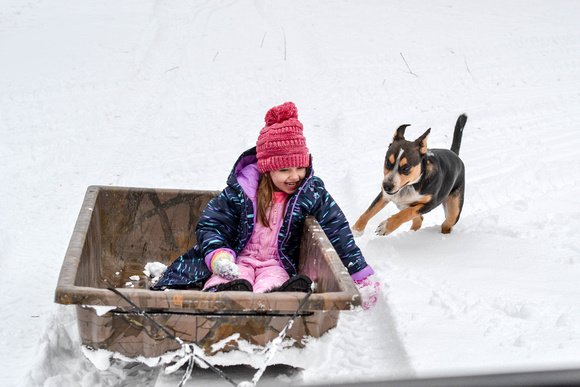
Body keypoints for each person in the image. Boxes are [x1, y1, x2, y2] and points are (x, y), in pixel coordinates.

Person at [153, 102, 379, 308]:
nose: (295, 176)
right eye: (284, 170)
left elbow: (336, 229)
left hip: (276, 264)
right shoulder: (241, 192)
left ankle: (278, 301)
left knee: (273, 286)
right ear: (267, 169)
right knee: (231, 278)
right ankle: (224, 298)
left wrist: (358, 271)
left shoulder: (310, 192)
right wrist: (219, 255)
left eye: (300, 167)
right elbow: (213, 224)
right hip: (238, 258)